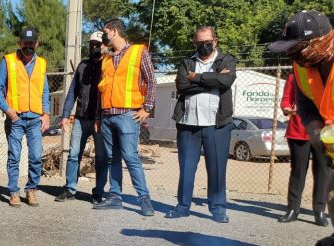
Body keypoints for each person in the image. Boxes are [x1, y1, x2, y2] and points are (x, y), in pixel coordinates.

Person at [268, 10, 334, 234]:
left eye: (297, 48)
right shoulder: (303, 66)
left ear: (319, 42)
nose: (292, 56)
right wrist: (317, 135)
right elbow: (307, 108)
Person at [165, 26, 236, 223]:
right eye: (199, 42)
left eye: (208, 42)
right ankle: (182, 206)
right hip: (188, 125)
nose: (204, 46)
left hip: (217, 125)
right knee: (187, 169)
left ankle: (218, 208)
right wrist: (213, 80)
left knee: (217, 169)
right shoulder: (187, 61)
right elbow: (182, 85)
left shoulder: (226, 60)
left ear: (215, 41)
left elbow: (226, 81)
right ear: (195, 43)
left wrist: (195, 77)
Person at [92, 19, 157, 216]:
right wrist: (98, 117)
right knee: (113, 158)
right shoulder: (106, 59)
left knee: (130, 157)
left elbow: (151, 82)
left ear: (113, 32)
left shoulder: (138, 52)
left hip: (128, 115)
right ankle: (115, 197)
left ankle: (144, 199)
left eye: (105, 32)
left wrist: (146, 108)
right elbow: (101, 91)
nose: (103, 37)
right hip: (107, 115)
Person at [54, 31, 119, 204]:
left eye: (98, 44)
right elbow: (72, 92)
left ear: (105, 45)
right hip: (81, 119)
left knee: (101, 157)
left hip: (100, 120)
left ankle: (98, 191)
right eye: (91, 44)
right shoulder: (82, 66)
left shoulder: (110, 65)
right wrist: (65, 115)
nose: (94, 47)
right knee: (74, 154)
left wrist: (108, 53)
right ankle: (70, 188)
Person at [0, 27, 51, 207]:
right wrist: (7, 109)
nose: (28, 46)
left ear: (37, 44)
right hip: (15, 119)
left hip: (35, 118)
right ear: (19, 43)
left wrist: (47, 114)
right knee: (14, 157)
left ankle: (31, 189)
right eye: (25, 43)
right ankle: (13, 192)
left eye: (31, 43)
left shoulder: (41, 63)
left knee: (35, 156)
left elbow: (45, 91)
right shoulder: (8, 61)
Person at [277, 73, 330, 226]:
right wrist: (286, 108)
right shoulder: (294, 76)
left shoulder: (326, 74)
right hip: (298, 131)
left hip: (323, 132)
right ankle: (293, 209)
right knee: (298, 171)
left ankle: (319, 210)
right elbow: (286, 99)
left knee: (322, 172)